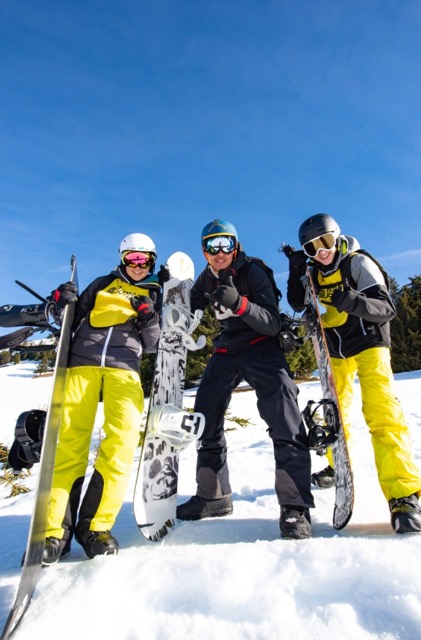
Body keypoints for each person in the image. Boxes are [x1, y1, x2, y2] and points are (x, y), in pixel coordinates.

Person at [176, 219, 314, 539]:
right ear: (204, 251)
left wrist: (239, 303)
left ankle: (295, 507)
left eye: (226, 244)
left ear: (235, 246)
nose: (220, 251)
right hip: (227, 349)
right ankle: (214, 496)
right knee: (205, 416)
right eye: (213, 245)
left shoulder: (254, 271)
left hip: (262, 346)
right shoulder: (206, 279)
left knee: (284, 417)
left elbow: (270, 322)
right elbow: (187, 308)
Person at [285, 213, 421, 534]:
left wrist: (348, 299)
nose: (321, 252)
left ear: (337, 236)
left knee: (381, 411)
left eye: (326, 242)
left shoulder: (356, 262)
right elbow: (297, 302)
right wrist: (295, 273)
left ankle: (404, 495)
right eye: (311, 248)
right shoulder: (312, 271)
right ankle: (336, 465)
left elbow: (386, 307)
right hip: (335, 347)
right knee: (336, 414)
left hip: (370, 340)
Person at [43, 233, 164, 564]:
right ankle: (55, 530)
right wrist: (60, 300)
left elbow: (154, 343)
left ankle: (94, 527)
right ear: (122, 259)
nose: (138, 266)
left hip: (124, 368)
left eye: (145, 260)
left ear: (152, 262)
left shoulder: (154, 291)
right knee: (70, 441)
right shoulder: (101, 284)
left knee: (123, 441)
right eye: (132, 259)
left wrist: (148, 315)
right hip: (82, 362)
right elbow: (67, 318)